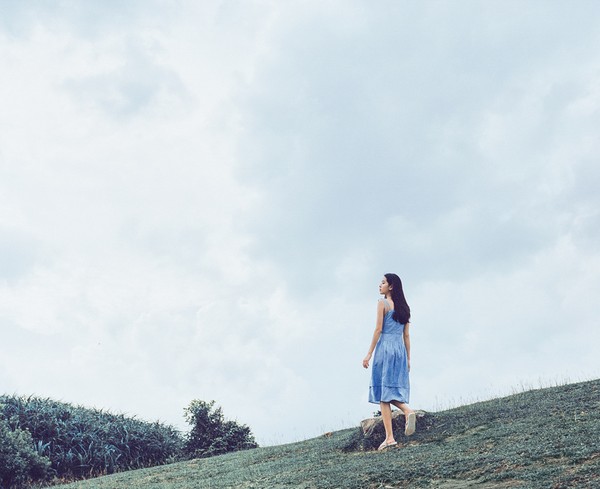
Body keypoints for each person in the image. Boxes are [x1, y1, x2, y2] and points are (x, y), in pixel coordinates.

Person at [362, 273, 416, 450]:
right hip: (399, 350)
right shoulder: (405, 308)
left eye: (383, 282)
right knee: (390, 389)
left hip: (385, 349)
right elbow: (406, 335)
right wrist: (408, 358)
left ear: (391, 286)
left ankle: (391, 436)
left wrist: (368, 354)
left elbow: (378, 330)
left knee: (382, 393)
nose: (380, 285)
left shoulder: (382, 303)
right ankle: (403, 417)